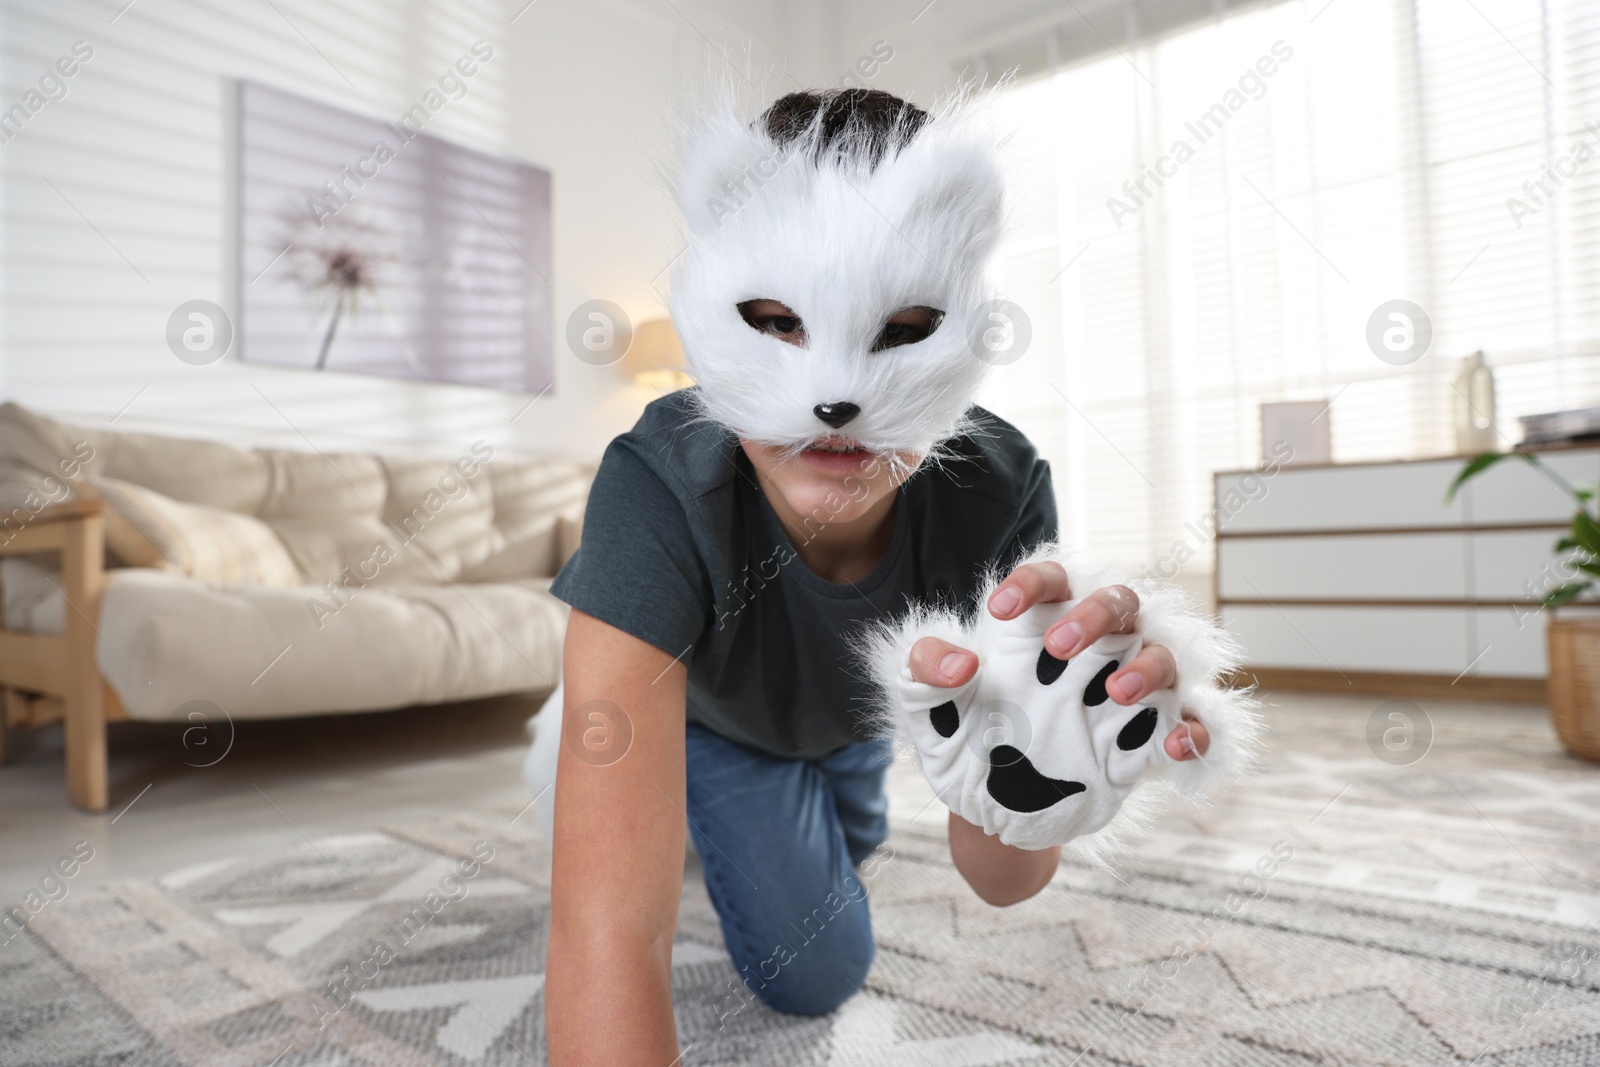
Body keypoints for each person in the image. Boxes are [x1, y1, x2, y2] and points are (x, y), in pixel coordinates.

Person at [530, 86, 1235, 1066]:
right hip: (720, 723)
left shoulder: (999, 487)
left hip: (855, 725)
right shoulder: (656, 481)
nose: (836, 400)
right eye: (774, 320)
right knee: (817, 969)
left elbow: (1000, 878)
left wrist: (1053, 770)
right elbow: (605, 926)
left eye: (901, 328)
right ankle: (685, 783)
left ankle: (779, 805)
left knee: (834, 842)